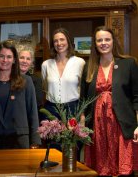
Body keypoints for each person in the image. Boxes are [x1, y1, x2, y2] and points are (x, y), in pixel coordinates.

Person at [81, 26, 138, 176]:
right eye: (99, 40)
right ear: (95, 44)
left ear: (113, 41)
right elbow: (83, 100)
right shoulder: (89, 67)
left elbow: (137, 97)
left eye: (107, 39)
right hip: (97, 128)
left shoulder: (128, 64)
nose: (103, 43)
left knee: (124, 170)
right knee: (100, 170)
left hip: (122, 125)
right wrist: (82, 127)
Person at [0, 40, 40, 150]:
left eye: (9, 57)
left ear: (14, 59)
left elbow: (33, 113)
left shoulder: (26, 81)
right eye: (2, 56)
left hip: (19, 140)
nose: (5, 60)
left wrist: (35, 140)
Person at [41, 28, 85, 118]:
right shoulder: (46, 64)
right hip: (51, 109)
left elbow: (83, 89)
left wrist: (82, 114)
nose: (59, 43)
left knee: (73, 133)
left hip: (73, 109)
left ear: (68, 41)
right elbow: (44, 88)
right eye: (55, 41)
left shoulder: (80, 62)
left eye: (62, 39)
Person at [17, 44, 44, 109]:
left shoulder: (36, 81)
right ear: (15, 59)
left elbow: (37, 103)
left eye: (28, 59)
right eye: (22, 58)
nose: (25, 61)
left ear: (31, 63)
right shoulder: (7, 78)